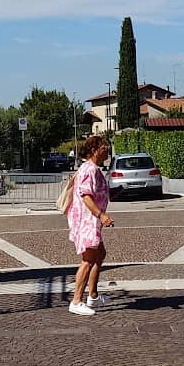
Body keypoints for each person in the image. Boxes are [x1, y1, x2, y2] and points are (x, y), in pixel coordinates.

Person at [66, 134, 115, 316]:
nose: (107, 151)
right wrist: (101, 215)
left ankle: (93, 295)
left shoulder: (93, 169)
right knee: (88, 259)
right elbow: (86, 196)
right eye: (104, 148)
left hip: (92, 221)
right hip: (87, 221)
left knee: (100, 254)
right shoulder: (89, 169)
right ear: (94, 150)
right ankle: (76, 301)